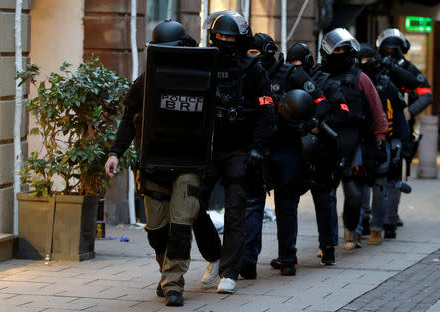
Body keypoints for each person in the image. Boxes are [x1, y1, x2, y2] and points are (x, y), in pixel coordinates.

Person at [105, 20, 221, 307]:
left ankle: (173, 284)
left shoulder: (202, 77)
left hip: (188, 165)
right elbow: (128, 121)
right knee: (157, 231)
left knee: (181, 227)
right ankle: (166, 271)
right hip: (153, 164)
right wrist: (114, 153)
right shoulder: (145, 82)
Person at [242, 33, 332, 276]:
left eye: (256, 54)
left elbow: (322, 102)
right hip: (257, 147)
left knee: (286, 202)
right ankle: (248, 261)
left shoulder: (291, 74)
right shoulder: (246, 72)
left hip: (286, 147)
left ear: (270, 52)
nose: (252, 59)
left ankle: (288, 259)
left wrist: (307, 124)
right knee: (253, 203)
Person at [200, 11, 275, 293]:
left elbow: (267, 111)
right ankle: (214, 255)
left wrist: (257, 147)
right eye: (220, 36)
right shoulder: (204, 62)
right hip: (207, 148)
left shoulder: (254, 68)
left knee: (235, 213)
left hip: (239, 150)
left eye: (231, 37)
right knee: (194, 205)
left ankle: (230, 272)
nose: (225, 41)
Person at [320, 28, 388, 250]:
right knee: (326, 195)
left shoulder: (361, 78)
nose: (339, 53)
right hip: (325, 139)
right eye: (336, 49)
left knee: (355, 194)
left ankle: (350, 228)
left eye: (343, 49)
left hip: (354, 140)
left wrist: (379, 139)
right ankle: (328, 241)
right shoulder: (319, 76)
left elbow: (377, 111)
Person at [286, 42, 351, 265]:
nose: (297, 67)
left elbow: (342, 110)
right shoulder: (287, 79)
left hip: (322, 149)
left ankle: (328, 248)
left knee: (324, 199)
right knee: (289, 201)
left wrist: (319, 124)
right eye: (292, 63)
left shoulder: (326, 82)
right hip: (295, 148)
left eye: (299, 62)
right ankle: (288, 254)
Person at [377, 28, 433, 227]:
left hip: (401, 128)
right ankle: (380, 213)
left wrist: (409, 111)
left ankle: (390, 214)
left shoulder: (409, 71)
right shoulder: (379, 68)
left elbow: (426, 93)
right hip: (379, 126)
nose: (390, 52)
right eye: (387, 48)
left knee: (397, 171)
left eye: (394, 48)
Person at [356, 43, 411, 243]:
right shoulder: (354, 80)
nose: (368, 64)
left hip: (385, 140)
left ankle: (380, 226)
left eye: (371, 60)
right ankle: (362, 223)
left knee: (382, 183)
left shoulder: (386, 82)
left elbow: (399, 116)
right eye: (364, 60)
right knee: (361, 183)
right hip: (362, 140)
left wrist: (404, 144)